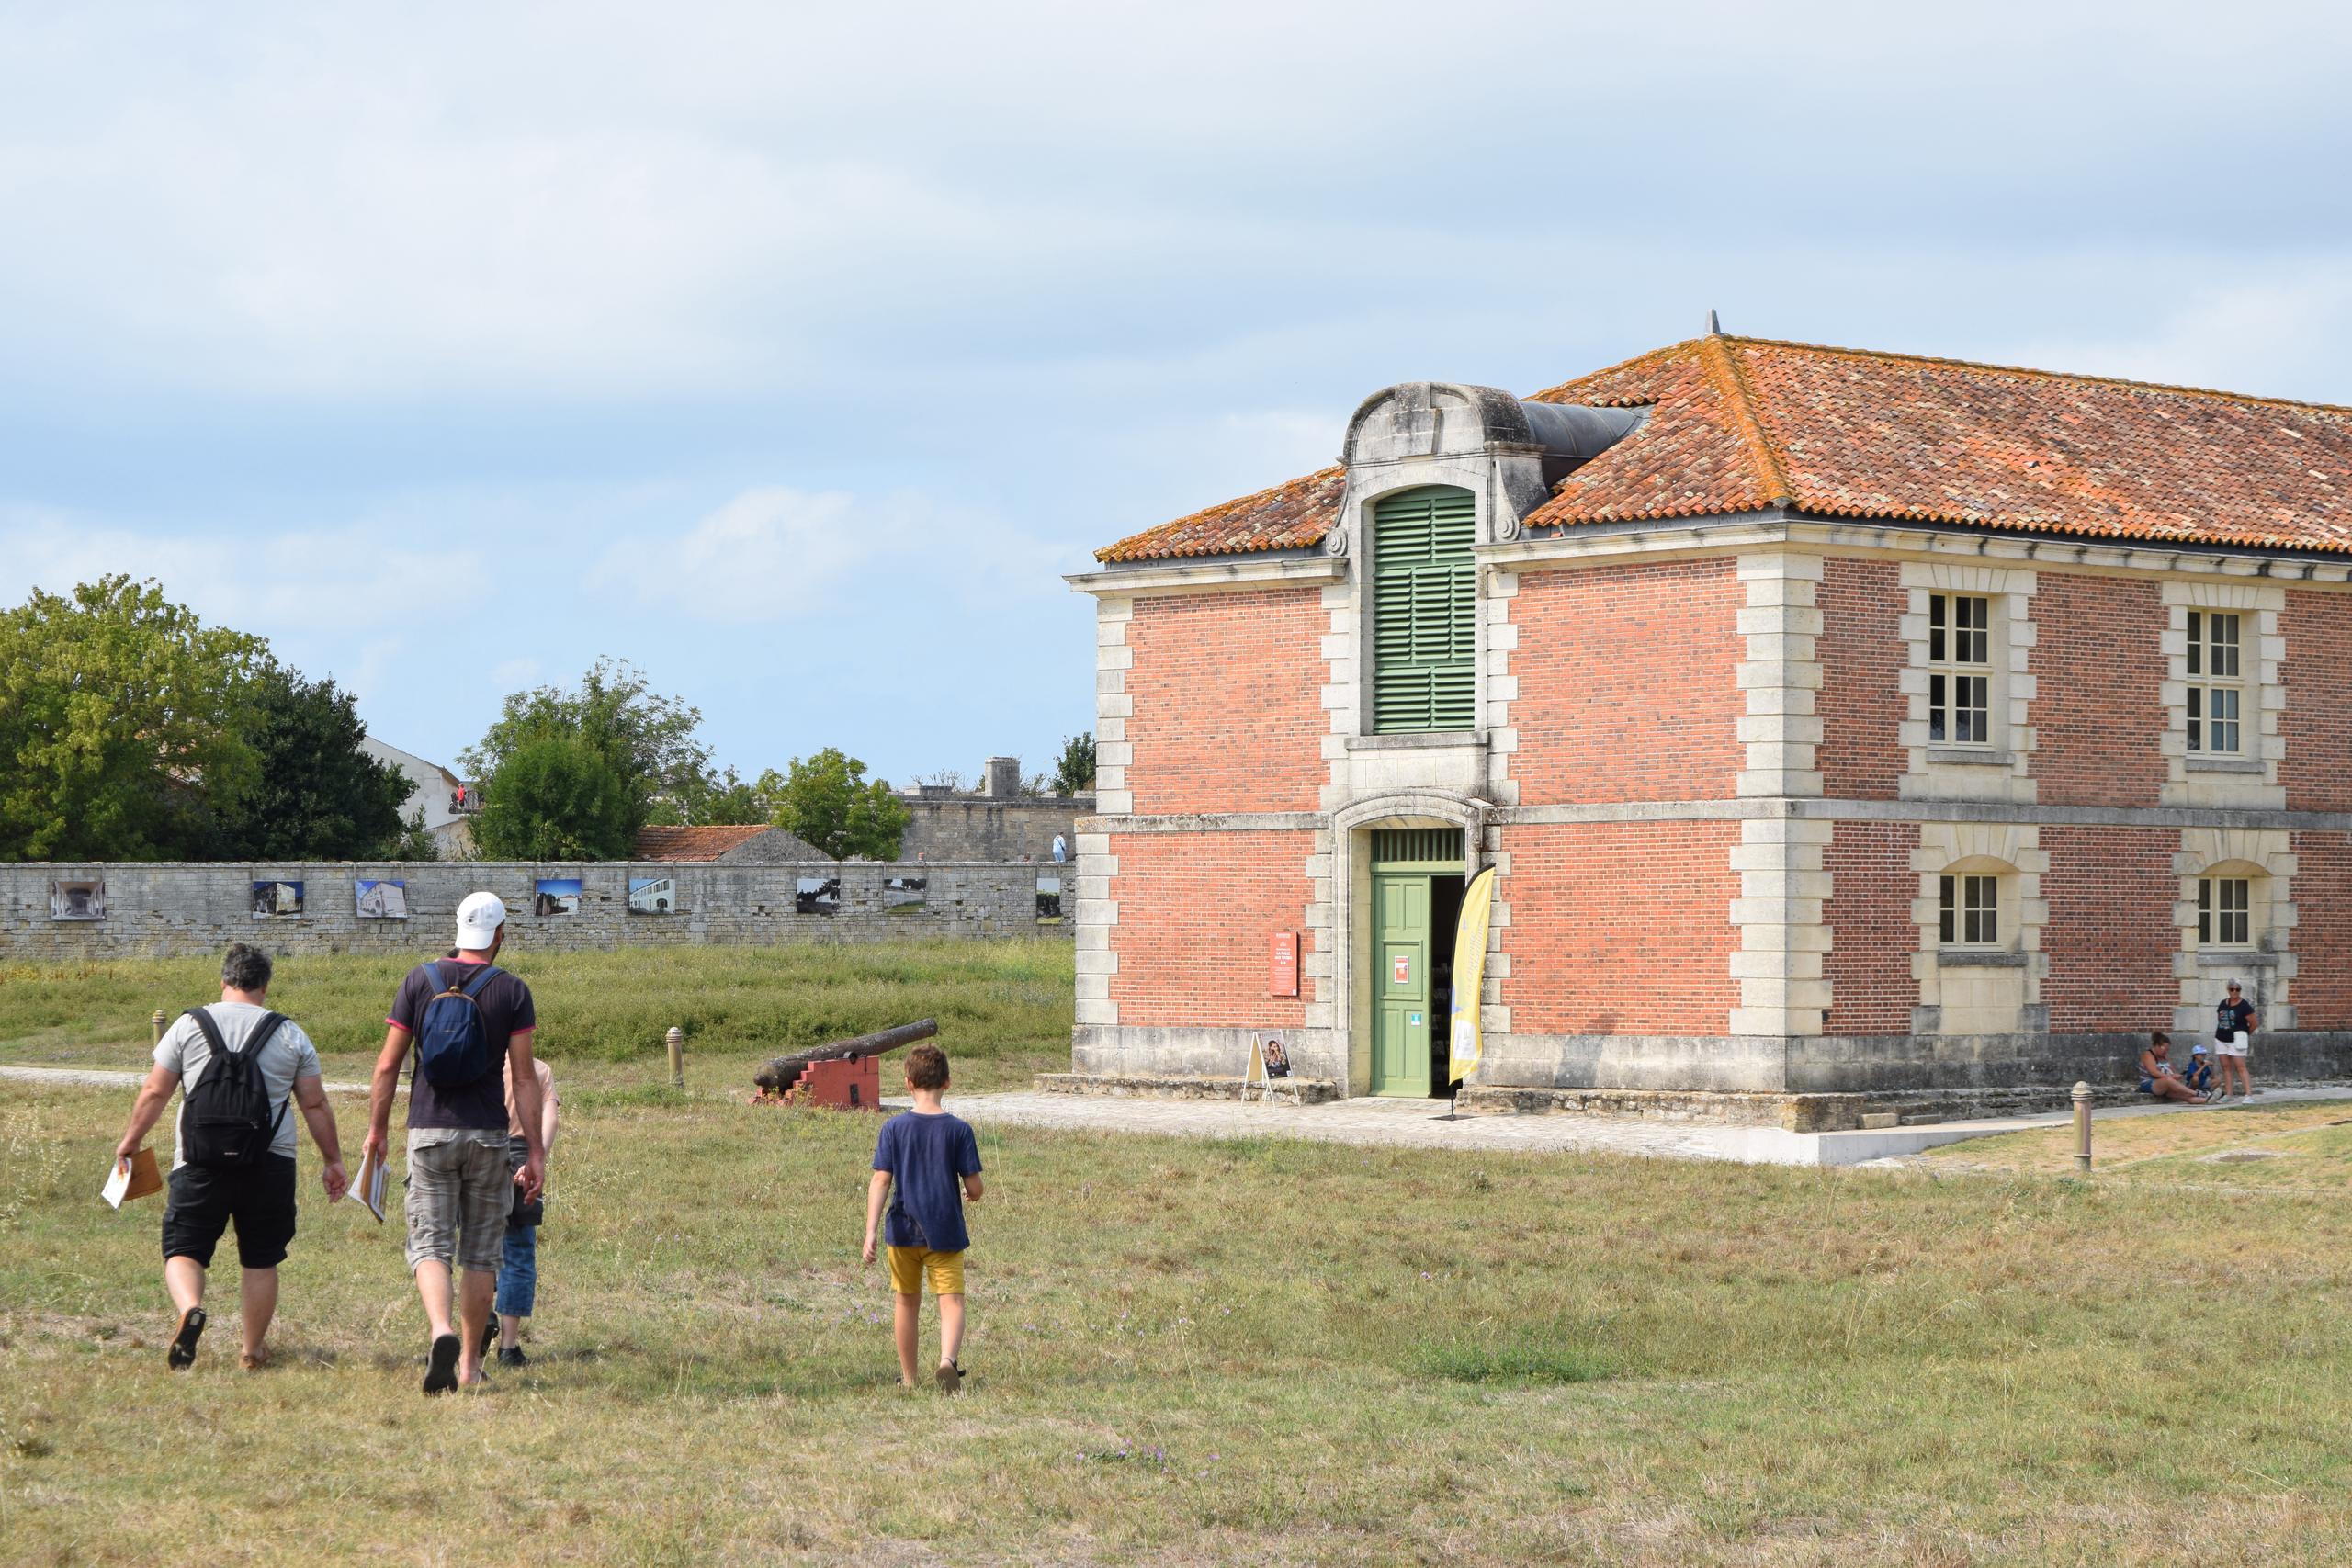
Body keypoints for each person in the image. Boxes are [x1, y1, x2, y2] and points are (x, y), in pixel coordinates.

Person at [112, 943, 345, 1371]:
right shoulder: (289, 1033)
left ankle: (190, 1310)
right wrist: (333, 1160)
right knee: (260, 1256)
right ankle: (252, 1351)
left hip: (199, 1159)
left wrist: (130, 1140)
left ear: (223, 982)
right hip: (269, 1161)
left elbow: (156, 1091)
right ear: (265, 986)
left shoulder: (187, 1025)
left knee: (184, 1247)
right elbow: (314, 1104)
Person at [363, 891, 546, 1394]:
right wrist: (535, 1151)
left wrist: (377, 1131)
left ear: (459, 930)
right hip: (488, 1136)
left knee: (431, 1243)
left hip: (428, 1131)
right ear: (500, 936)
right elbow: (525, 1079)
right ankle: (468, 1363)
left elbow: (387, 1066)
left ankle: (439, 1330)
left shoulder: (418, 980)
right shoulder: (512, 991)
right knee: (482, 1254)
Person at [862, 1044, 984, 1393]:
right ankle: (947, 1361)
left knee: (906, 1301)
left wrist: (871, 1231)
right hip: (945, 1230)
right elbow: (974, 1185)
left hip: (902, 1230)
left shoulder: (893, 1128)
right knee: (952, 1300)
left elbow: (880, 1180)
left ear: (907, 1083)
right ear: (947, 1082)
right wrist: (973, 1194)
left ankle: (910, 1379)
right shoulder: (959, 1130)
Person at [482, 1053, 560, 1368]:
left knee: (480, 1247)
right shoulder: (539, 1070)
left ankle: (481, 1317)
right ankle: (509, 1347)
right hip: (521, 1152)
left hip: (481, 1153)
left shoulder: (481, 1064)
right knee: (517, 1251)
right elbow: (551, 1117)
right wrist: (534, 1157)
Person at [2137, 1032, 2214, 1105]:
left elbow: (2172, 1072)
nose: (2166, 1052)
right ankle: (2198, 1093)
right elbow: (2154, 1072)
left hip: (2165, 1084)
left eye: (2168, 1050)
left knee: (2185, 1095)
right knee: (2169, 1080)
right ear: (2157, 1046)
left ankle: (2207, 1099)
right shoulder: (2148, 1055)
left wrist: (2176, 1076)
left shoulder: (2165, 1057)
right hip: (2149, 1084)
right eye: (2165, 1049)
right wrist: (2170, 1077)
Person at [2213, 980, 2259, 1100]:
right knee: (2226, 1067)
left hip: (2236, 1040)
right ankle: (2229, 1094)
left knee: (2240, 1067)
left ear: (2240, 991)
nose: (2234, 991)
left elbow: (2254, 1023)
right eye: (2232, 989)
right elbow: (2220, 1018)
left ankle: (2248, 1095)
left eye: (2237, 989)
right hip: (2221, 1038)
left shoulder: (2244, 1006)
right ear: (2228, 990)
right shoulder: (2223, 1003)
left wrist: (2244, 1034)